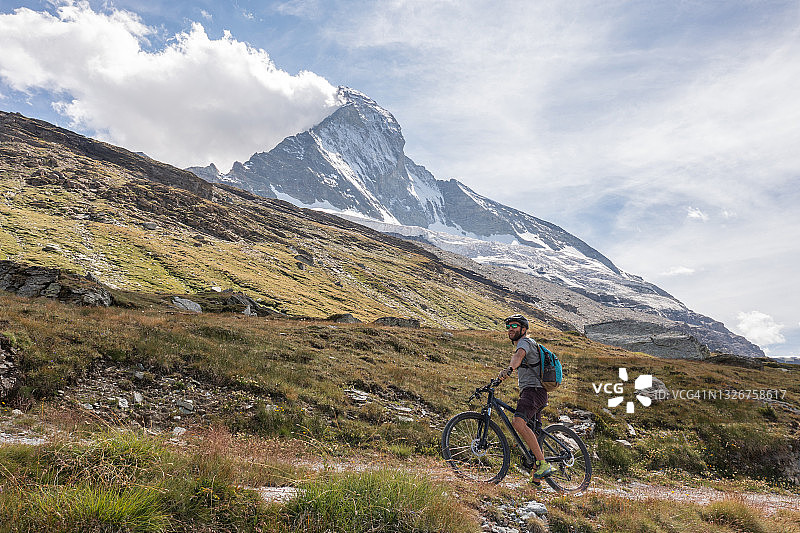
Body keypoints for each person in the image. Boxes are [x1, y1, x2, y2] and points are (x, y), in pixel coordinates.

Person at [497, 313, 553, 483]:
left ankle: (543, 464)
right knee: (533, 435)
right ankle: (536, 482)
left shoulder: (525, 342)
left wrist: (509, 369)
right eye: (508, 326)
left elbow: (518, 357)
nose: (510, 329)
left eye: (514, 326)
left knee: (518, 422)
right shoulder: (523, 342)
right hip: (533, 392)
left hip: (534, 391)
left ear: (523, 329)